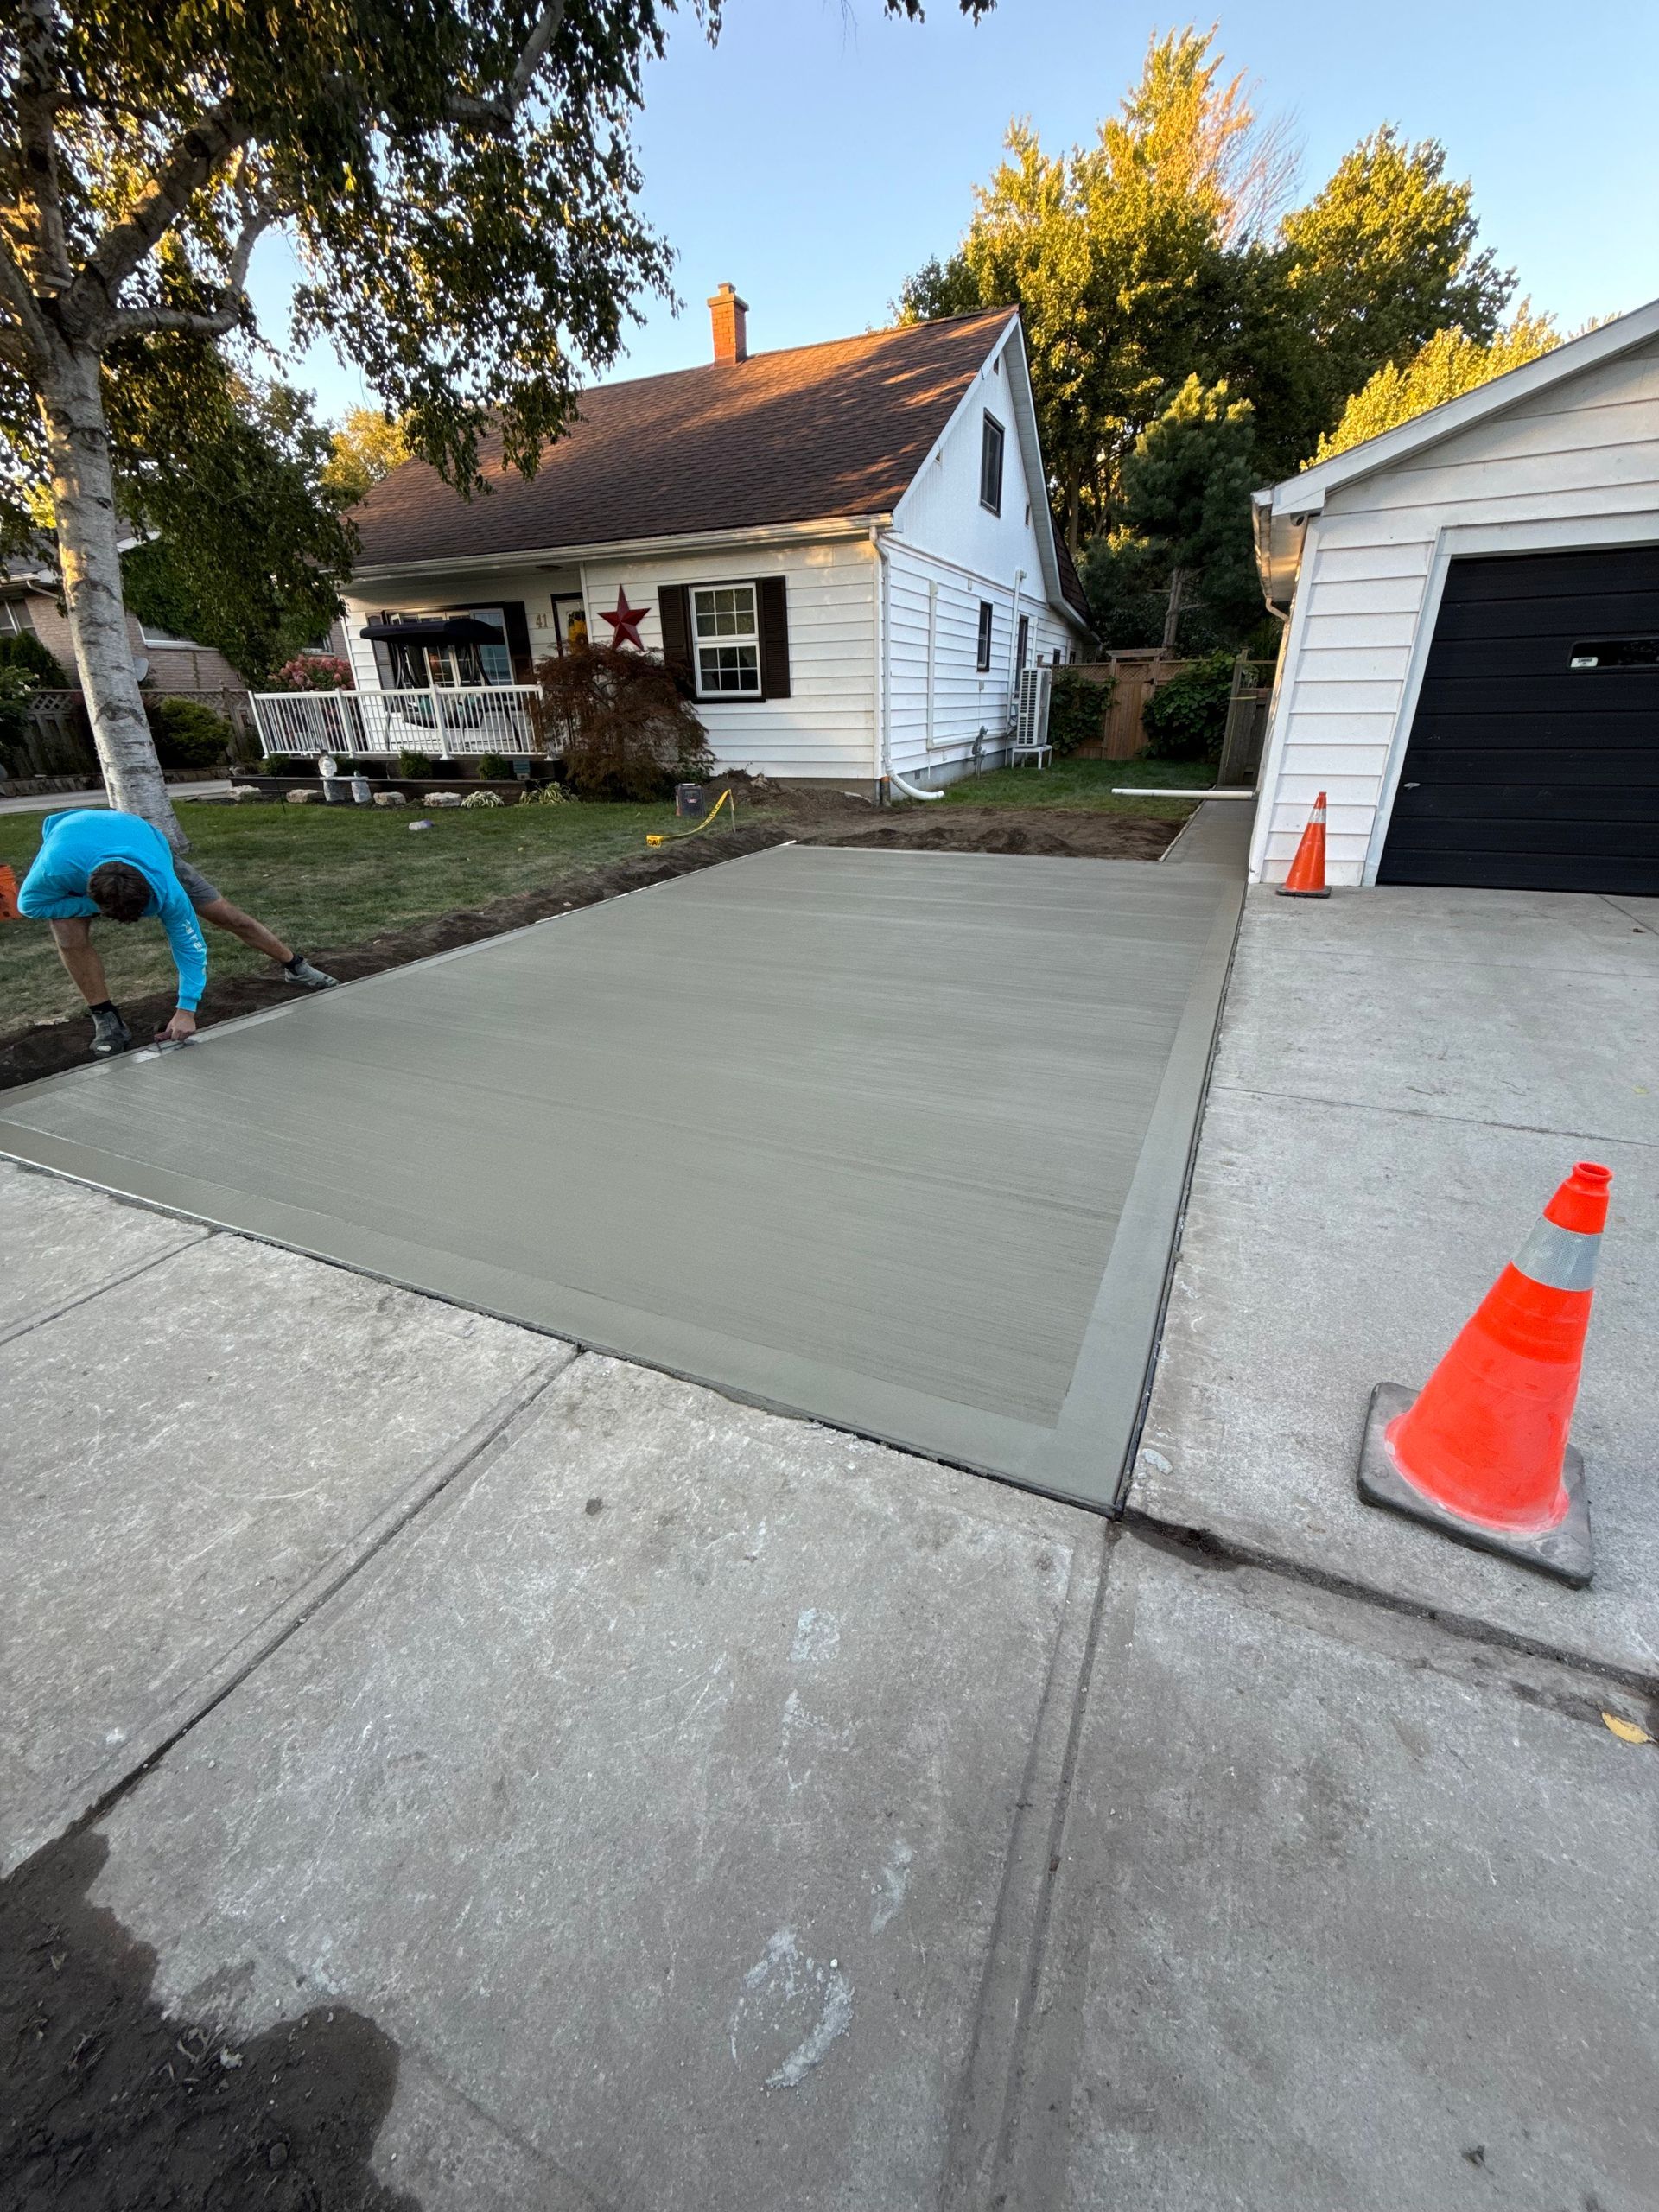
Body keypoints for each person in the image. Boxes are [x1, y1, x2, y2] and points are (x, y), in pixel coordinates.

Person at [17, 807, 337, 1055]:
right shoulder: (54, 872)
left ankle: (295, 966)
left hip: (144, 844)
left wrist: (186, 1009)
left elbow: (190, 947)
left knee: (229, 917)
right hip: (73, 848)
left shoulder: (168, 890)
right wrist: (86, 907)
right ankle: (105, 1017)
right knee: (68, 936)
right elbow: (29, 906)